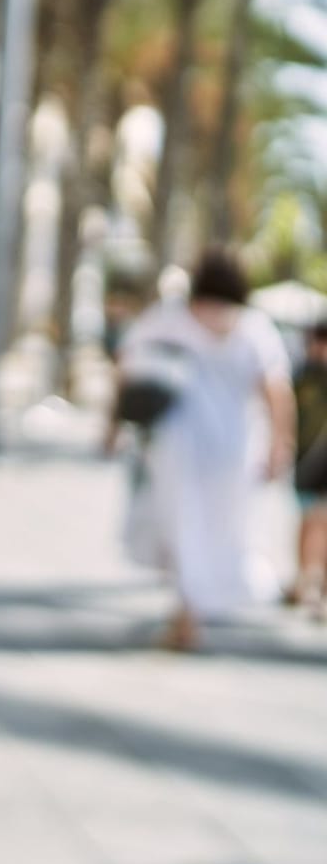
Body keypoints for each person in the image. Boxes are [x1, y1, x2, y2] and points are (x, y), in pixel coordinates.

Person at [107, 249, 295, 652]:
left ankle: (189, 610)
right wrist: (282, 445)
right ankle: (191, 610)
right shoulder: (253, 326)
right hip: (232, 449)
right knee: (213, 531)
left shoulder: (173, 317)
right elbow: (277, 392)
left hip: (181, 446)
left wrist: (111, 425)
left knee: (184, 526)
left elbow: (126, 364)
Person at [289, 320, 327, 616]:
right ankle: (306, 580)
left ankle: (313, 582)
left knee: (317, 520)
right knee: (309, 520)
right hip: (306, 461)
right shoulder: (302, 376)